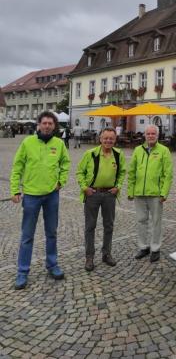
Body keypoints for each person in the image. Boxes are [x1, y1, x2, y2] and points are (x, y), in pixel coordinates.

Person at [10, 111, 71, 290]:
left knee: (51, 232)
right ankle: (22, 271)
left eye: (50, 124)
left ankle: (52, 265)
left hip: (52, 195)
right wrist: (14, 189)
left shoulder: (59, 144)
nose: (47, 126)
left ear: (54, 126)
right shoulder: (27, 142)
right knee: (27, 236)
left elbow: (65, 164)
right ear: (38, 125)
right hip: (31, 196)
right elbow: (17, 166)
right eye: (44, 123)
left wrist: (61, 181)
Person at [76, 128, 127, 272]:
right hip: (93, 194)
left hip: (110, 194)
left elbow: (122, 172)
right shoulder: (90, 154)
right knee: (90, 226)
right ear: (100, 138)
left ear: (115, 140)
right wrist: (84, 187)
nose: (108, 141)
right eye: (106, 138)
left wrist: (118, 186)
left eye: (111, 138)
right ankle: (89, 257)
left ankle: (106, 253)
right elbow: (80, 171)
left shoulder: (118, 155)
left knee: (109, 226)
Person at [127, 124, 173, 263]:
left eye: (153, 134)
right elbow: (132, 172)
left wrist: (164, 193)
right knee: (141, 221)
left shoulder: (164, 151)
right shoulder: (137, 150)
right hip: (139, 193)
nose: (151, 136)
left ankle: (155, 248)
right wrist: (130, 190)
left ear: (157, 136)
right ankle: (143, 247)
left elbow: (168, 174)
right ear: (145, 135)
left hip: (156, 193)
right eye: (148, 134)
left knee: (156, 222)